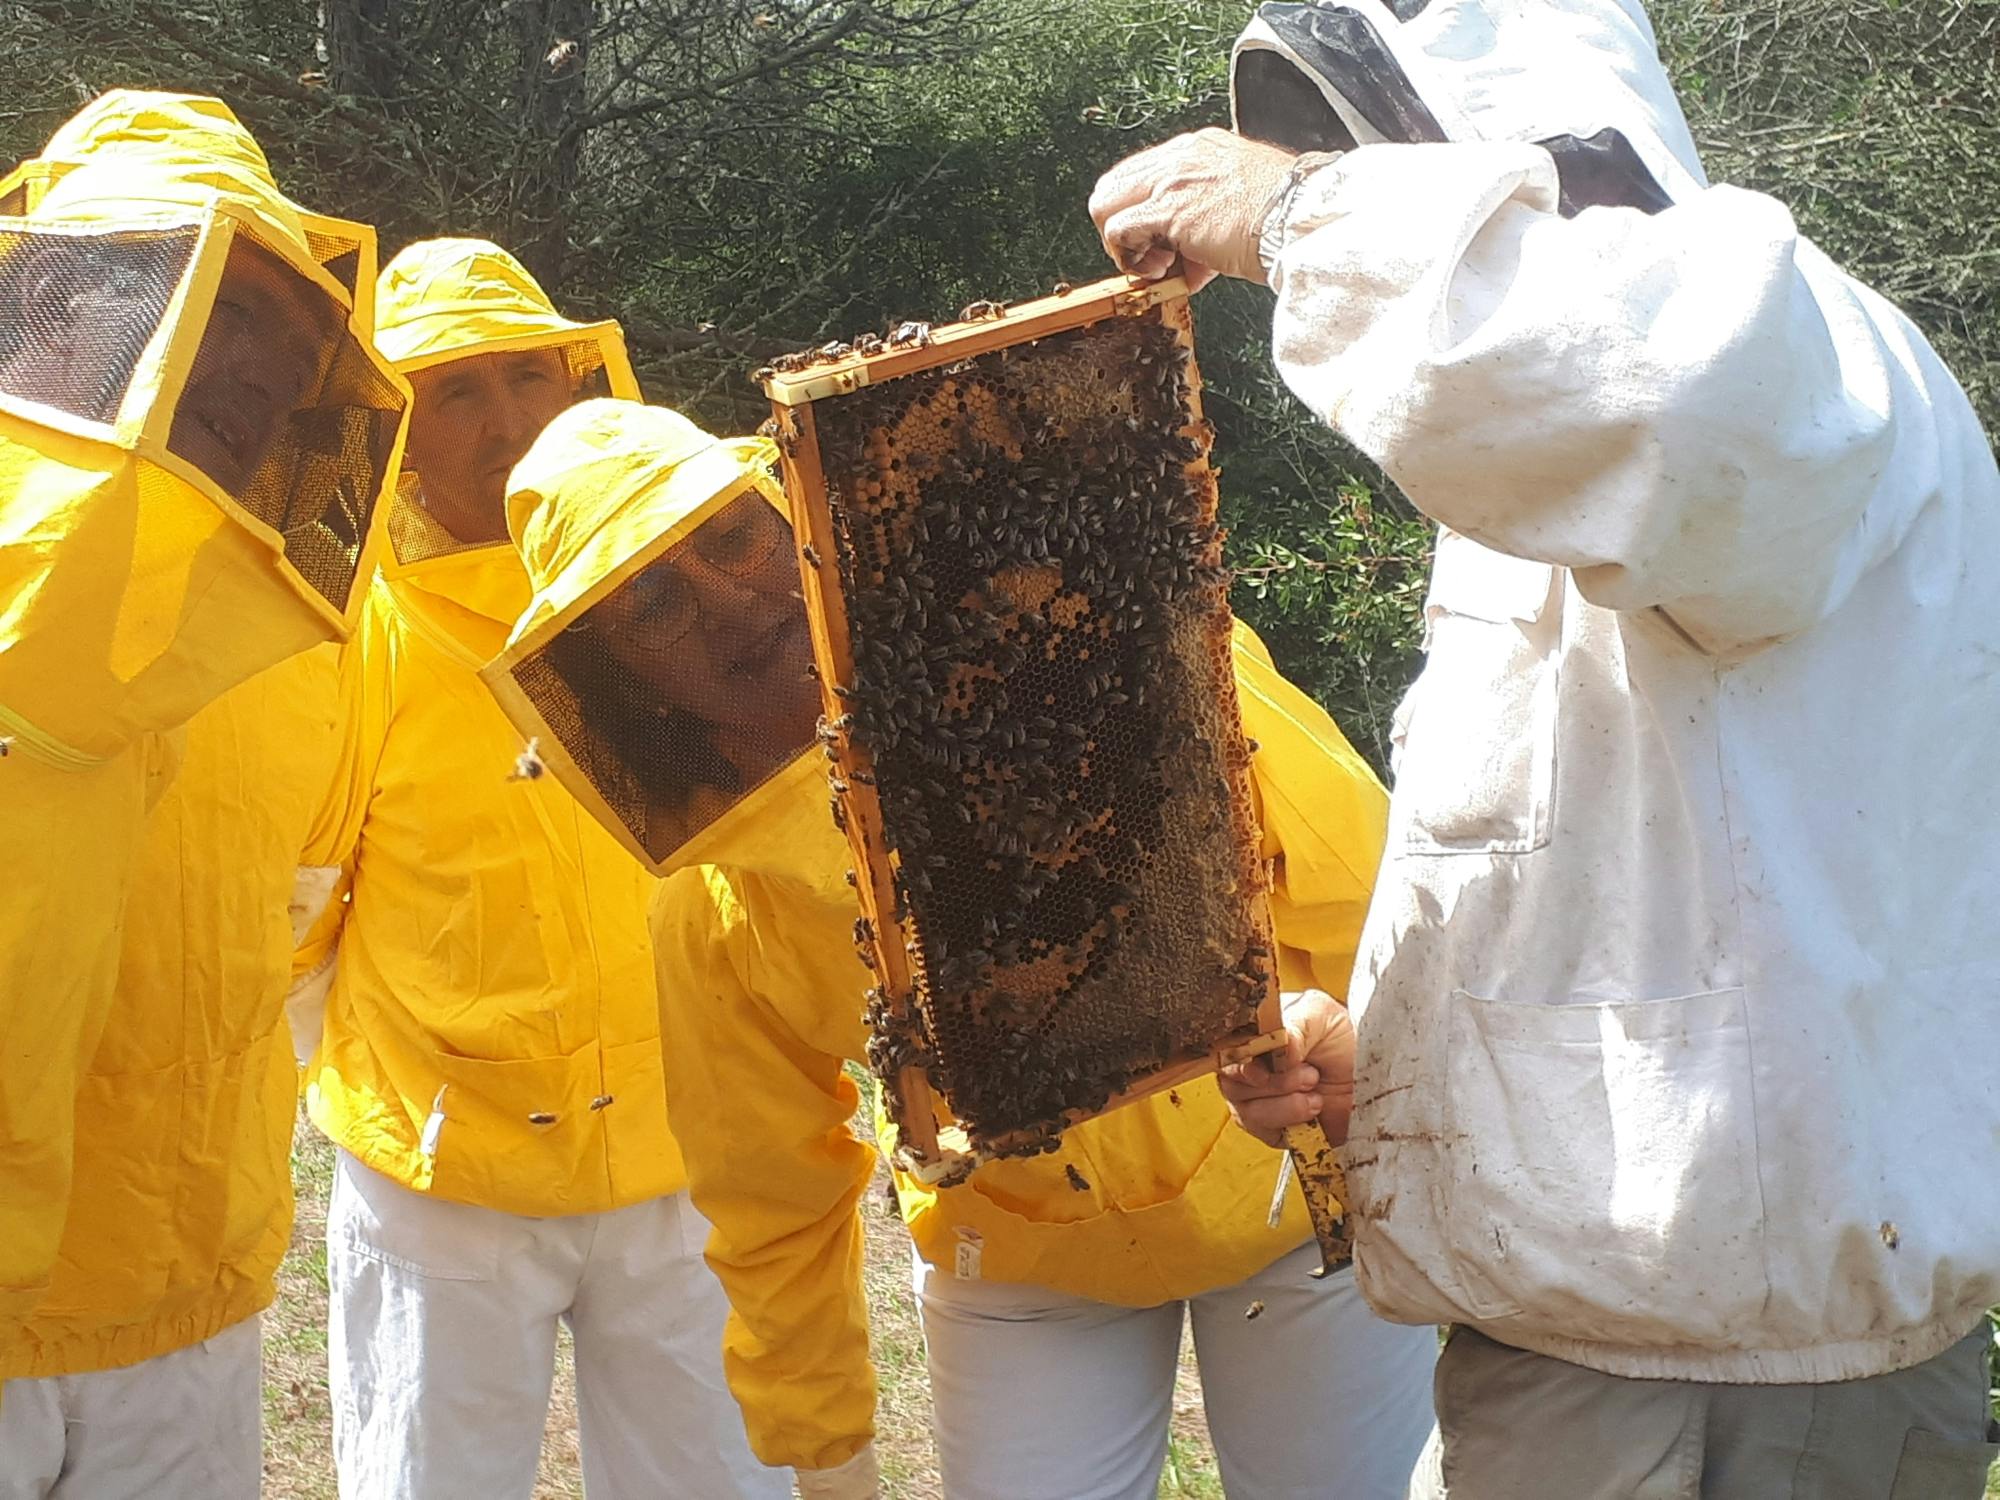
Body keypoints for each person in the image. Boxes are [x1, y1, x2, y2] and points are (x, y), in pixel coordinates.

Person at [1087, 1, 2000, 1494]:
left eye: (1398, 171)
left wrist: (1297, 212)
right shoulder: (1628, 473)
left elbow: (1663, 390)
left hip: (1717, 1393)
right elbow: (1648, 873)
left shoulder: (1786, 359)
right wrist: (1400, 1059)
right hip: (1628, 1357)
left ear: (1549, 152)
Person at [482, 397, 1440, 1500]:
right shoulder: (715, 911)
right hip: (1021, 1253)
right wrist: (824, 1452)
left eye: (731, 538)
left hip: (1286, 1182)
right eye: (651, 601)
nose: (725, 600)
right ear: (615, 676)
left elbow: (1362, 890)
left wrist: (1373, 1068)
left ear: (793, 519)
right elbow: (766, 1191)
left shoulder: (1086, 649)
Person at [295, 239, 785, 1498]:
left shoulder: (668, 594)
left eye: (525, 375)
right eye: (456, 390)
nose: (506, 420)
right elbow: (298, 907)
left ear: (578, 384)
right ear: (397, 429)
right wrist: (391, 1083)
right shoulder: (355, 626)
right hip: (446, 1172)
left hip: (684, 1148)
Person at [0, 92, 403, 1388]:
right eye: (227, 306)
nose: (269, 377)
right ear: (50, 294)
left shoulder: (291, 633)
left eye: (293, 347)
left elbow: (293, 915)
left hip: (186, 1303)